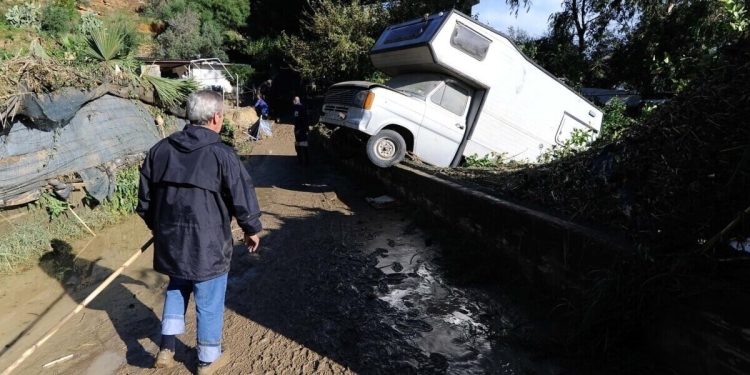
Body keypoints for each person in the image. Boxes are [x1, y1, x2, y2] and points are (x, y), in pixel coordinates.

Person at [136, 90, 262, 375]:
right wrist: (251, 228)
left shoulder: (159, 150)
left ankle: (166, 348)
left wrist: (159, 228)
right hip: (208, 245)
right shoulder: (222, 154)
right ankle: (207, 359)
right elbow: (242, 196)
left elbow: (145, 202)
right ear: (216, 117)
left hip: (171, 242)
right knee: (209, 298)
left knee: (177, 287)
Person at [292, 96, 309, 166]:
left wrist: (300, 129)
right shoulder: (296, 108)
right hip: (298, 130)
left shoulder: (301, 108)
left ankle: (305, 162)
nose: (292, 102)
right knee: (298, 145)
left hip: (301, 130)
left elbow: (304, 121)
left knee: (303, 145)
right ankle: (300, 160)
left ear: (296, 101)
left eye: (293, 100)